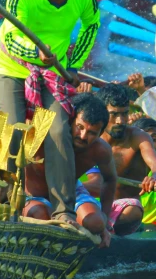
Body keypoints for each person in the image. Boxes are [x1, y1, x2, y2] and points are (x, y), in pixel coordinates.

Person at [0, 0, 99, 226]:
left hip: (52, 74)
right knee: (12, 130)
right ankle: (5, 204)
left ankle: (63, 211)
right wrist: (35, 54)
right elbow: (9, 37)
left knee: (59, 132)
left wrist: (74, 64)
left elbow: (91, 26)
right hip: (11, 67)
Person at [21, 93, 116, 247]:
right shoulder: (39, 132)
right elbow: (3, 156)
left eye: (92, 133)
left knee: (96, 223)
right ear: (70, 121)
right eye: (79, 127)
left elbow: (110, 179)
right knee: (44, 219)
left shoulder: (101, 150)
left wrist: (105, 223)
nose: (83, 136)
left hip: (71, 192)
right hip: (33, 195)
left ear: (100, 133)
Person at [96, 84, 156, 235]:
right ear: (100, 113)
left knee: (133, 212)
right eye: (114, 114)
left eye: (124, 114)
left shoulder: (138, 136)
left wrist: (155, 177)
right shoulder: (90, 135)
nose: (120, 121)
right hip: (92, 204)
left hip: (124, 208)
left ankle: (103, 228)